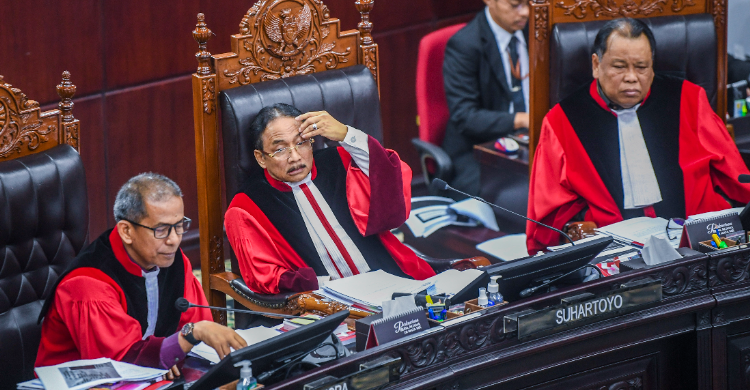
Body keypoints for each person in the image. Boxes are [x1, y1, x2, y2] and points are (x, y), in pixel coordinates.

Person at [526, 18, 750, 254]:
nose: (632, 77)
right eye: (619, 66)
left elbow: (736, 178)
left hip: (697, 244)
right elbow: (547, 219)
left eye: (641, 67)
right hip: (614, 253)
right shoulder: (562, 121)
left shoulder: (689, 99)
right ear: (596, 64)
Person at [36, 173, 246, 377]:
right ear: (126, 231)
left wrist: (171, 352)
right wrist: (187, 338)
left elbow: (195, 322)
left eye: (180, 225)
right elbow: (120, 364)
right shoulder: (90, 284)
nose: (174, 240)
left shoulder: (174, 260)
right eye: (162, 229)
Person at [224, 103, 436, 295]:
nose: (295, 156)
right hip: (329, 306)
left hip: (398, 281)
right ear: (261, 157)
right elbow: (265, 276)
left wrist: (346, 134)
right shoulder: (247, 207)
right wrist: (324, 285)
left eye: (301, 143)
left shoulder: (342, 161)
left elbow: (390, 189)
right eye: (280, 149)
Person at [442, 0, 530, 195]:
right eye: (515, 5)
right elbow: (465, 116)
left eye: (528, 3)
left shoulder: (537, 33)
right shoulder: (464, 44)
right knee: (520, 196)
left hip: (532, 142)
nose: (525, 12)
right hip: (479, 150)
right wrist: (521, 119)